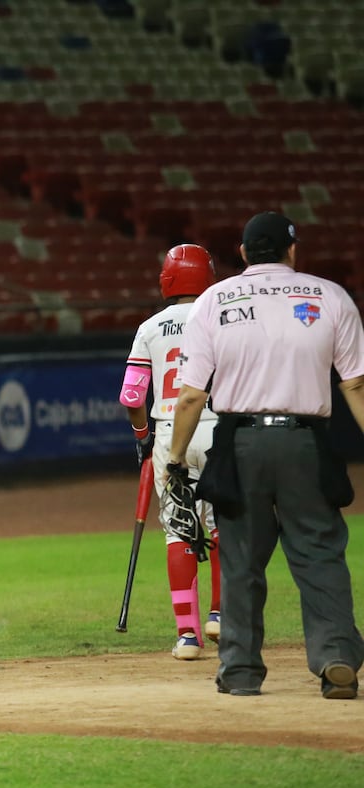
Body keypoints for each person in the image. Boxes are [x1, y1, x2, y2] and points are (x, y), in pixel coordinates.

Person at [168, 211, 364, 700]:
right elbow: (356, 384)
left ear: (242, 254)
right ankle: (337, 657)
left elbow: (191, 395)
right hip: (307, 440)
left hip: (240, 442)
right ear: (292, 251)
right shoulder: (331, 296)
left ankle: (239, 671)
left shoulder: (213, 300)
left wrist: (174, 458)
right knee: (319, 553)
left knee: (240, 559)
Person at [120, 244, 223, 661]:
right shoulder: (223, 318)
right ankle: (221, 614)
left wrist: (143, 435)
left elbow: (130, 395)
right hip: (218, 429)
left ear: (167, 279)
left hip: (168, 434)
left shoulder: (150, 327)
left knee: (178, 529)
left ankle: (187, 636)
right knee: (224, 526)